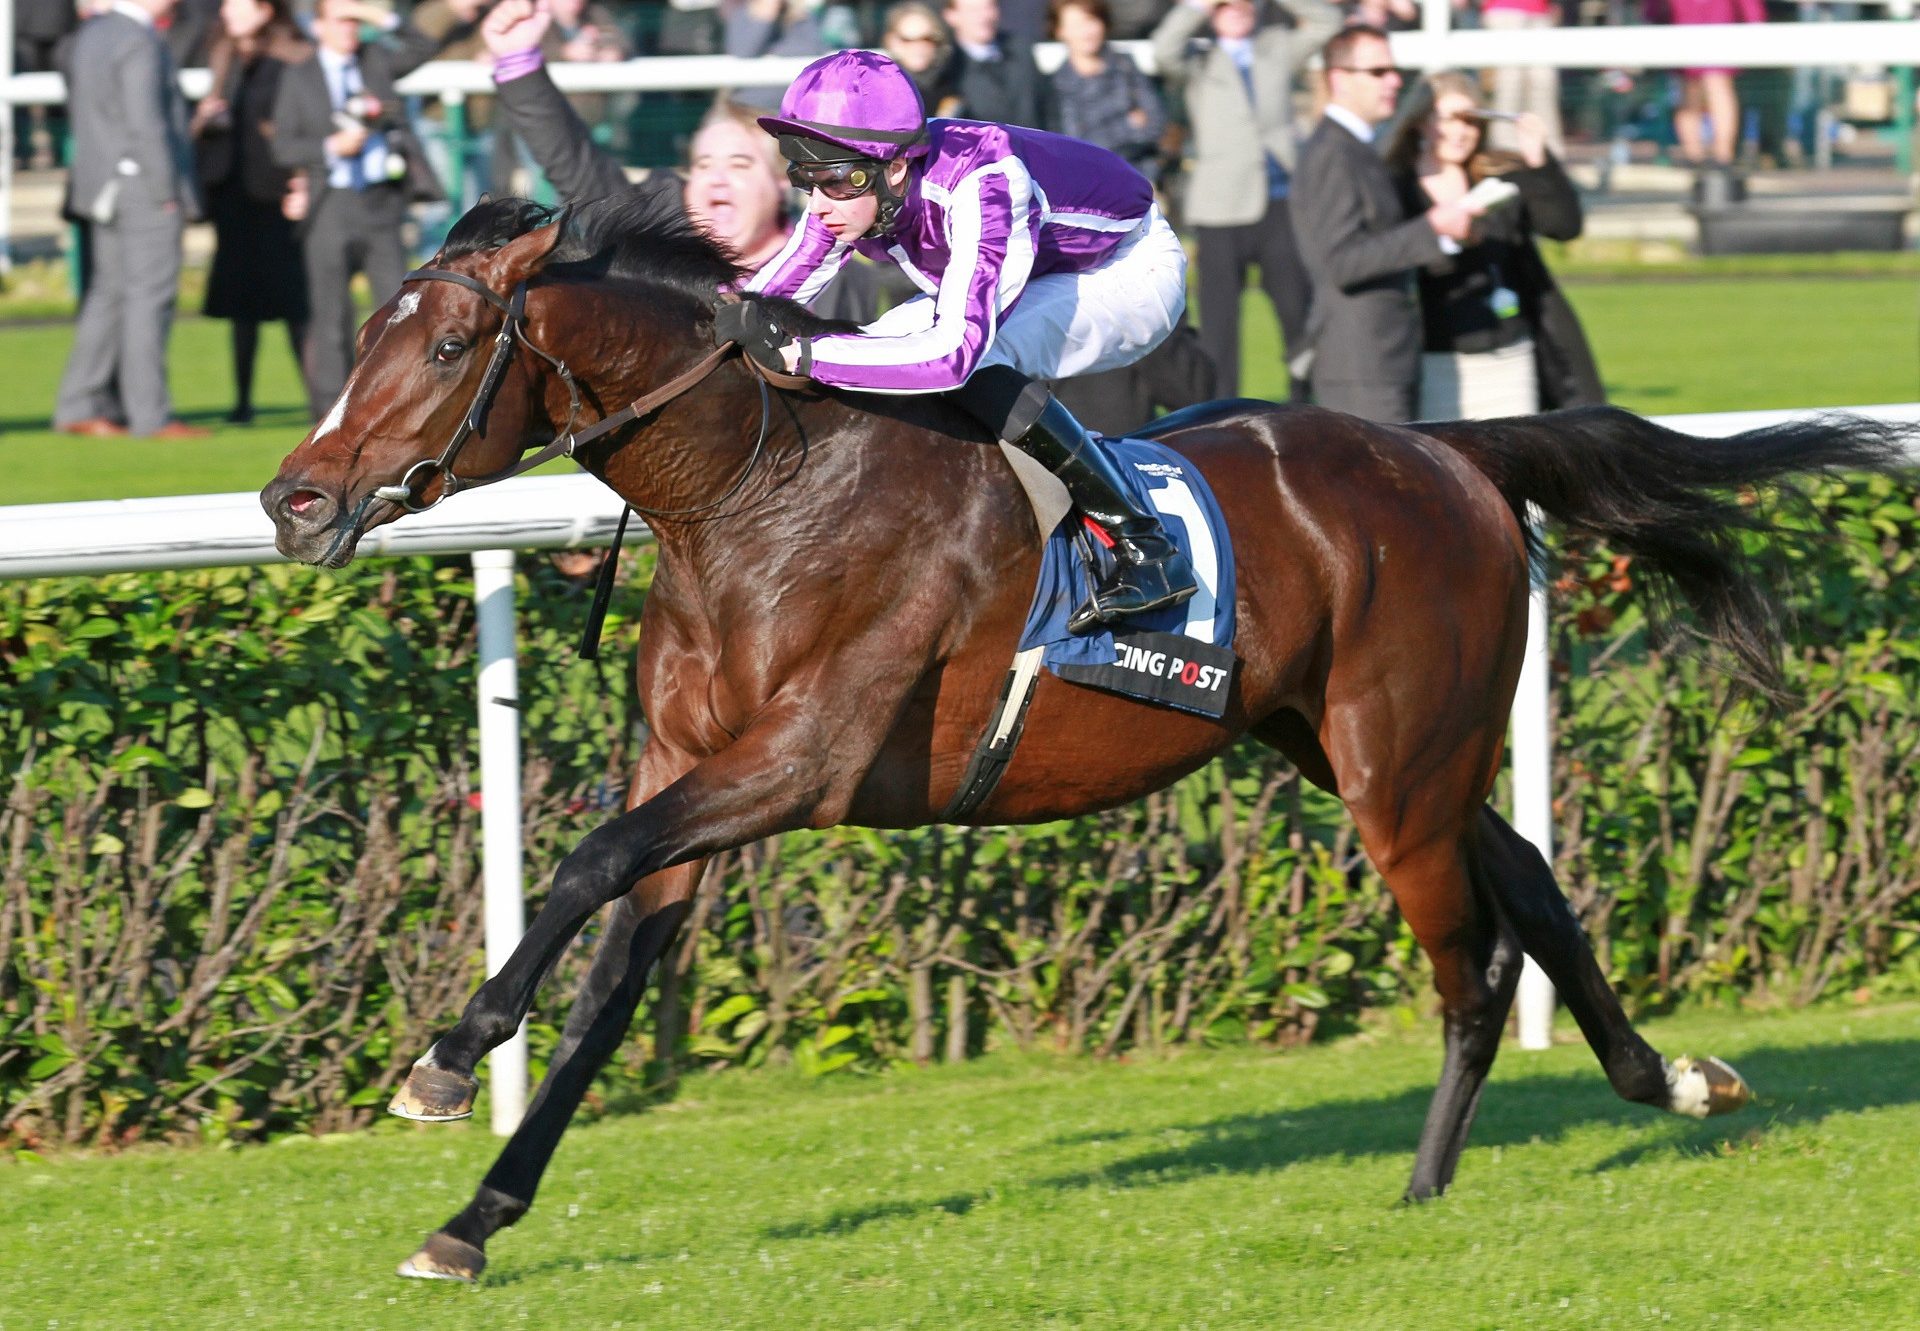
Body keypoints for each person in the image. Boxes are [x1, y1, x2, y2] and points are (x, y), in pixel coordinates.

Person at [731, 49, 1195, 629]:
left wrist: (804, 356)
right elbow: (770, 291)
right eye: (805, 180)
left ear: (896, 167)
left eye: (836, 182)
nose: (820, 206)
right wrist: (716, 321)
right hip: (1043, 267)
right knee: (879, 342)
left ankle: (1144, 547)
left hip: (1126, 270)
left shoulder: (985, 181)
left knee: (963, 359)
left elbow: (953, 355)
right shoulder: (855, 187)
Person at [1385, 71, 1602, 419]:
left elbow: (1564, 226)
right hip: (1435, 362)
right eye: (1449, 120)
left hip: (1509, 359)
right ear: (1420, 122)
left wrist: (1538, 162)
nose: (1460, 133)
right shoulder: (1396, 186)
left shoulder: (1498, 174)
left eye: (1471, 122)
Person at [1152, 0, 1340, 398]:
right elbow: (1162, 50)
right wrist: (1196, 7)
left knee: (1296, 313)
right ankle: (1222, 414)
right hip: (1221, 206)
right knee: (1220, 326)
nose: (1236, 7)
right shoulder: (1200, 59)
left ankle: (1304, 404)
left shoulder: (1275, 46)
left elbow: (1329, 21)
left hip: (1279, 201)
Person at [1289, 24, 1476, 422]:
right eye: (1377, 72)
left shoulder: (1358, 147)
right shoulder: (1332, 153)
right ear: (1339, 80)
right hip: (1361, 367)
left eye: (1393, 70)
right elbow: (1340, 263)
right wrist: (1433, 228)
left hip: (1383, 359)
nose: (1393, 80)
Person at [271, 0, 443, 419]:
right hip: (331, 204)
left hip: (380, 201)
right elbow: (282, 145)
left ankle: (398, 398)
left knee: (397, 307)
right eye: (340, 20)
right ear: (319, 27)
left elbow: (423, 45)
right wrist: (330, 148)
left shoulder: (375, 61)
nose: (349, 29)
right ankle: (331, 410)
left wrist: (377, 16)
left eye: (354, 22)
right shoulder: (299, 76)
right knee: (330, 314)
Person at [52, 0, 209, 440]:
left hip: (102, 184)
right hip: (143, 187)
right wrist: (166, 192)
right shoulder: (138, 39)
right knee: (148, 300)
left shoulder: (94, 33)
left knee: (109, 296)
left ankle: (78, 404)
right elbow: (147, 125)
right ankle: (151, 416)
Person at [191, 0, 313, 425]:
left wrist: (302, 178)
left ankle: (321, 402)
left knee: (295, 305)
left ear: (265, 10)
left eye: (239, 6)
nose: (229, 13)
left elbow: (304, 121)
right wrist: (206, 120)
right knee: (243, 309)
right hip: (236, 197)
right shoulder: (225, 54)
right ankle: (242, 402)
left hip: (278, 196)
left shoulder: (292, 54)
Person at [1050, 0, 1167, 182]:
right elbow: (1071, 144)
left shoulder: (1126, 67)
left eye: (1092, 21)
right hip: (1088, 186)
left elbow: (1156, 124)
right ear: (1060, 30)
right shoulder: (1056, 85)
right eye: (1076, 24)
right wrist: (1128, 125)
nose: (1087, 31)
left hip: (1141, 179)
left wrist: (1097, 131)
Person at [1646, 0, 1764, 175]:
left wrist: (1652, 15)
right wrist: (1754, 19)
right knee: (1710, 87)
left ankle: (1701, 156)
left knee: (1700, 89)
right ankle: (1717, 156)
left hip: (1692, 21)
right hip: (1711, 21)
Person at [940, 0, 1053, 130]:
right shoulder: (948, 67)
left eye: (989, 7)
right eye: (973, 10)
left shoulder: (1021, 50)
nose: (984, 16)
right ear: (951, 15)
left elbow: (1047, 106)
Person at [1477, 0, 1563, 157]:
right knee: (1510, 82)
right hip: (1504, 9)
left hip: (1540, 11)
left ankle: (1549, 152)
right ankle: (1505, 152)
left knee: (1544, 83)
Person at [881, 1, 962, 117]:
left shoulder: (955, 86)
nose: (918, 47)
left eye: (926, 39)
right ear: (892, 42)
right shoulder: (880, 90)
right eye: (908, 40)